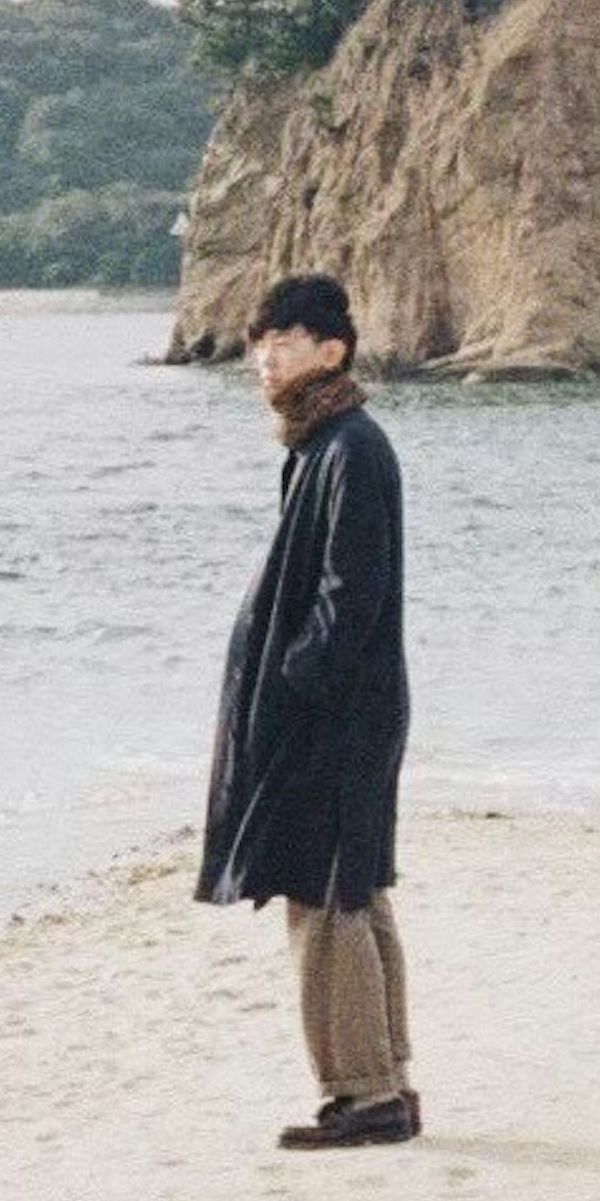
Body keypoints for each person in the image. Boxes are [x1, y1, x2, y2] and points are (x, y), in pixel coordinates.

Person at [198, 271, 419, 1150]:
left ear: (332, 352)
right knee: (352, 893)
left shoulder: (349, 450)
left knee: (327, 899)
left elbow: (349, 592)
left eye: (283, 343)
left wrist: (293, 681)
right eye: (259, 345)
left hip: (338, 715)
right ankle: (387, 1085)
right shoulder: (326, 445)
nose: (264, 359)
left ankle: (363, 1096)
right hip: (348, 711)